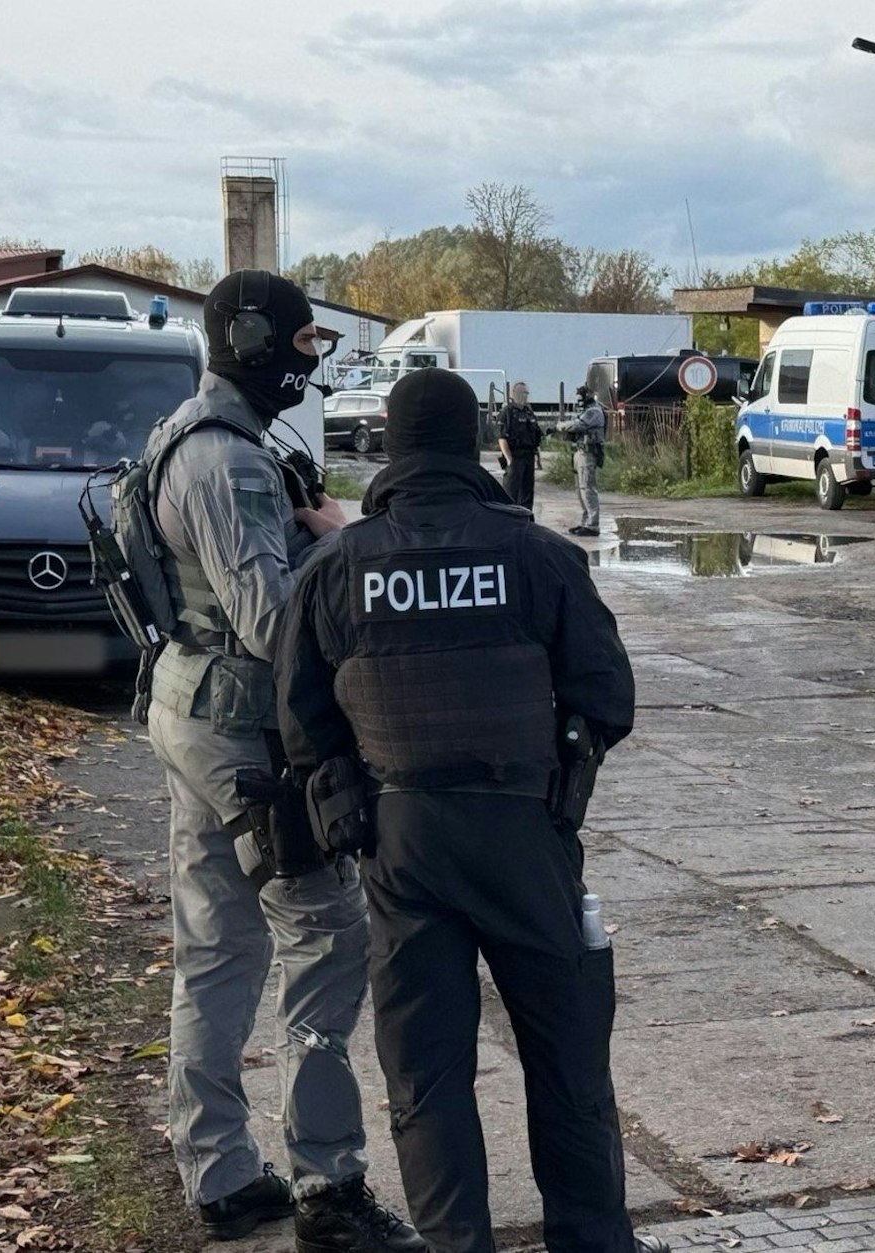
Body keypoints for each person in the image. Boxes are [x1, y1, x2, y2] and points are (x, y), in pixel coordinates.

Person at [273, 368, 667, 1253]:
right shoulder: (538, 554)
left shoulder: (336, 566)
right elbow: (606, 694)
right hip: (524, 832)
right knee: (568, 1064)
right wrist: (566, 785)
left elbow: (301, 721)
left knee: (428, 1078)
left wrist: (351, 815)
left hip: (402, 841)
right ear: (475, 439)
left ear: (391, 445)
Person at [144, 269, 424, 1253]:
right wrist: (338, 546)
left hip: (196, 712)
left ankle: (219, 1171)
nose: (309, 367)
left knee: (218, 944)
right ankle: (327, 1181)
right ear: (256, 339)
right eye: (305, 348)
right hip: (243, 733)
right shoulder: (228, 464)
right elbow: (272, 622)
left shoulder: (190, 435)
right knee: (326, 934)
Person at [556, 384, 605, 536]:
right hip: (579, 452)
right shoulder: (584, 411)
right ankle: (586, 521)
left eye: (582, 397)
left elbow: (578, 425)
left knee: (587, 488)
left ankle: (592, 524)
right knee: (579, 489)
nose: (579, 400)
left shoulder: (594, 411)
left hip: (588, 453)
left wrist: (561, 425)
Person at [497, 381, 543, 509]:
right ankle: (509, 524)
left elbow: (535, 436)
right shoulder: (508, 412)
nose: (524, 396)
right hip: (515, 457)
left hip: (529, 457)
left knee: (527, 494)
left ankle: (526, 522)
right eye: (522, 393)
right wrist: (509, 460)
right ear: (514, 393)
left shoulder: (529, 412)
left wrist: (538, 459)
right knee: (511, 494)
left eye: (526, 393)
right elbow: (502, 438)